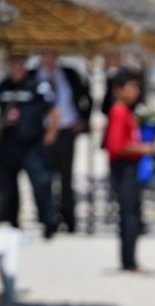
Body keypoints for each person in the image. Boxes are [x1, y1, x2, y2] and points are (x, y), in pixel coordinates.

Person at [0, 52, 59, 238]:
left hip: (32, 145)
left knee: (41, 184)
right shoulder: (3, 86)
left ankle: (48, 222)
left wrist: (50, 134)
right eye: (14, 62)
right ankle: (12, 223)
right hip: (8, 145)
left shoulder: (36, 85)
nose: (17, 66)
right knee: (8, 187)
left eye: (21, 62)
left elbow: (53, 111)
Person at [32, 50, 92, 233]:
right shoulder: (33, 75)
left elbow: (85, 97)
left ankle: (69, 218)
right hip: (43, 132)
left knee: (66, 177)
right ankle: (49, 217)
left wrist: (83, 120)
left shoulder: (69, 74)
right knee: (44, 177)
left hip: (66, 130)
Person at [103, 69, 153, 272]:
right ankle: (129, 261)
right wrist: (142, 148)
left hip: (130, 166)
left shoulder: (127, 111)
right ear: (118, 90)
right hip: (124, 168)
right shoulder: (119, 111)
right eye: (130, 87)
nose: (134, 91)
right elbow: (116, 146)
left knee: (132, 213)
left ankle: (130, 259)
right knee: (129, 214)